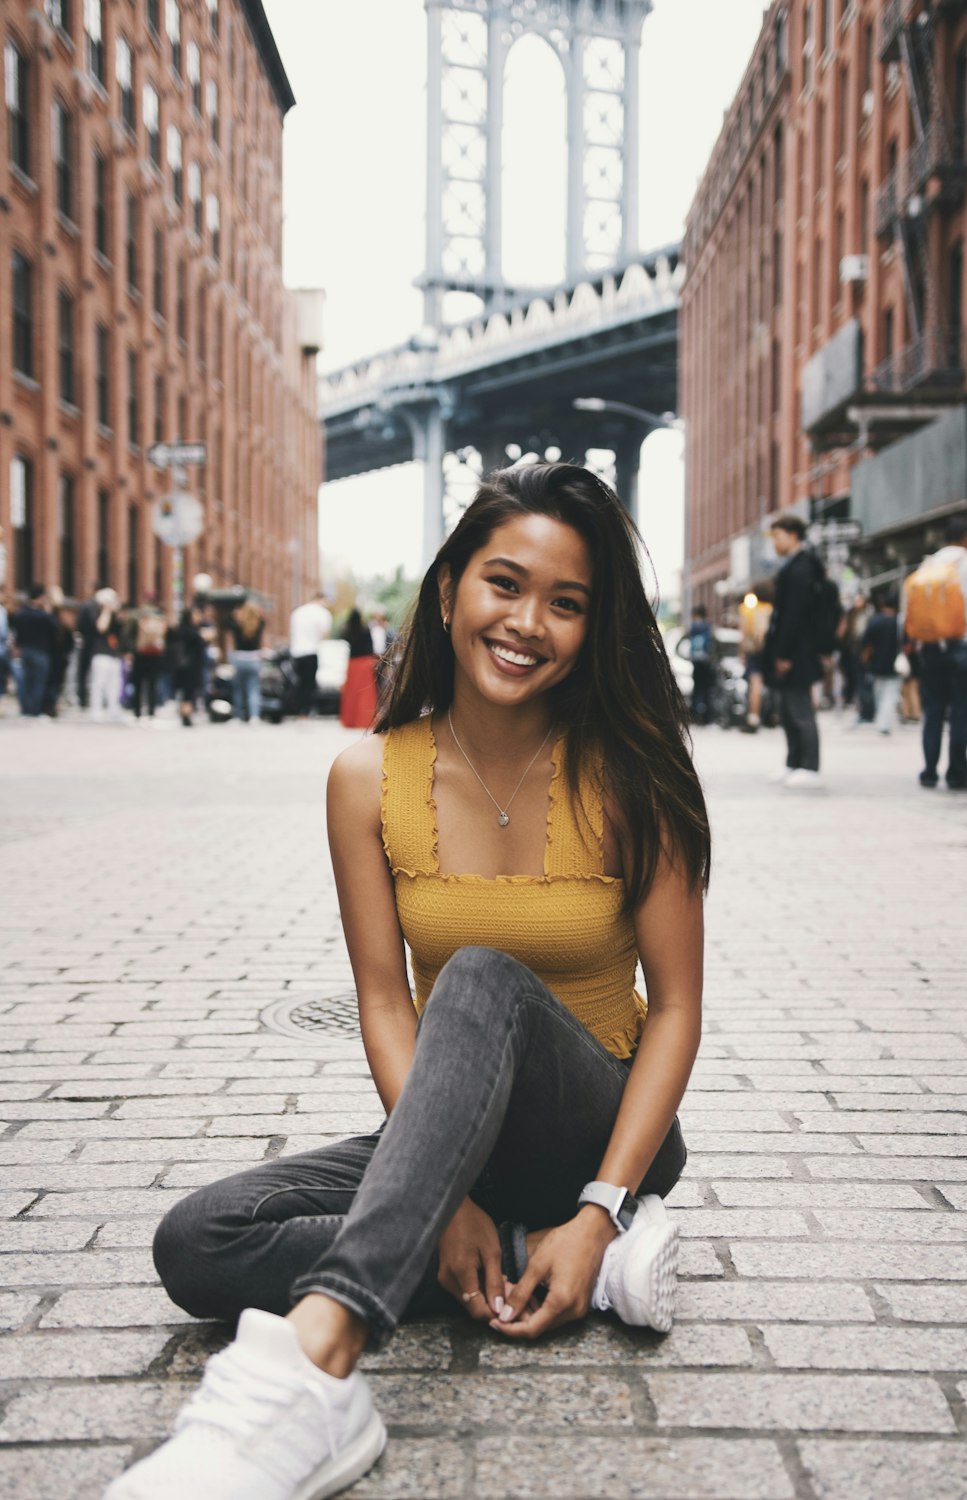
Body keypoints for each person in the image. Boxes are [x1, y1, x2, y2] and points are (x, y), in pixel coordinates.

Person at [109, 463, 709, 1500]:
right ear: (448, 593)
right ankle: (547, 1257)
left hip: (604, 1125)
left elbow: (680, 1011)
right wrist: (457, 1199)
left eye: (566, 604)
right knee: (197, 1242)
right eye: (503, 584)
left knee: (478, 976)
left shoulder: (629, 775)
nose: (527, 622)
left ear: (592, 628)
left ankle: (314, 1364)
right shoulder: (364, 779)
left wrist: (606, 1200)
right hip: (460, 1130)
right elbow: (384, 1003)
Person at [915, 517, 967, 790]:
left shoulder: (930, 562)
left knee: (934, 710)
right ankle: (956, 774)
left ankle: (928, 772)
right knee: (961, 710)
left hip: (930, 646)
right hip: (964, 644)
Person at [764, 514, 825, 788]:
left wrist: (784, 653)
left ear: (792, 535)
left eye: (778, 536)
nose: (775, 543)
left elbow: (794, 615)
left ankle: (809, 766)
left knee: (800, 710)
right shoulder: (795, 567)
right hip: (791, 650)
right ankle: (794, 762)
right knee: (788, 711)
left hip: (797, 651)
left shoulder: (802, 568)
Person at [860, 591, 902, 736]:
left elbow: (866, 643)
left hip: (877, 662)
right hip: (895, 663)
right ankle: (884, 723)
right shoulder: (899, 622)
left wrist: (865, 659)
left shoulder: (875, 621)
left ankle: (882, 721)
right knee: (890, 694)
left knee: (879, 693)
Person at [11, 584, 55, 718]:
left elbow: (16, 632)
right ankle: (34, 710)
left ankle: (25, 709)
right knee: (38, 682)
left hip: (25, 650)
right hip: (40, 651)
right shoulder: (42, 616)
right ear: (40, 598)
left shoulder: (21, 613)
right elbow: (54, 627)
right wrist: (48, 612)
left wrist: (17, 647)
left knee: (25, 681)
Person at [738, 580, 774, 732]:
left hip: (755, 650)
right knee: (772, 683)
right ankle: (773, 715)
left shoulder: (748, 609)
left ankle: (754, 717)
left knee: (755, 683)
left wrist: (742, 652)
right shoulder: (772, 608)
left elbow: (744, 632)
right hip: (771, 650)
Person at [289, 593, 332, 719]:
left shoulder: (297, 612)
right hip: (311, 651)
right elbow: (324, 634)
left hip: (296, 652)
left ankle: (297, 710)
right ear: (322, 600)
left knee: (300, 683)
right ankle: (305, 712)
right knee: (309, 684)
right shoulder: (323, 613)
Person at [128, 596, 169, 720]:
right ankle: (151, 711)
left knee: (138, 684)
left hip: (140, 654)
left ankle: (137, 712)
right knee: (152, 683)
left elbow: (128, 635)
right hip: (155, 655)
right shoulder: (160, 617)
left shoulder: (136, 616)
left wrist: (130, 650)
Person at [339, 607, 379, 729]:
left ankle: (350, 719)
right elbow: (371, 646)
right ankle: (364, 719)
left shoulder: (347, 630)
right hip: (365, 662)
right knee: (366, 692)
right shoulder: (365, 629)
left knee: (351, 691)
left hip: (352, 663)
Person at [88, 589, 125, 721]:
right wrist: (107, 609)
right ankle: (96, 710)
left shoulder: (117, 616)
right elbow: (101, 627)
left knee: (115, 684)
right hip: (101, 653)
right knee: (99, 683)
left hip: (114, 654)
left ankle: (113, 709)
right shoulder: (97, 612)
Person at [168, 608, 207, 728]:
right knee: (189, 693)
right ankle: (186, 716)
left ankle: (184, 715)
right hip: (191, 666)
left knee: (185, 692)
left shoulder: (178, 630)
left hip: (180, 666)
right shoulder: (192, 632)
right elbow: (199, 648)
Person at [229, 598, 266, 723]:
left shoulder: (237, 625)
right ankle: (254, 716)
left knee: (238, 689)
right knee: (253, 689)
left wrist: (237, 613)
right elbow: (263, 617)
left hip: (239, 658)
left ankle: (237, 716)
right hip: (254, 658)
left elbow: (228, 623)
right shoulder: (259, 624)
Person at [688, 604, 714, 725]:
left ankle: (694, 716)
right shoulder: (708, 627)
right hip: (706, 663)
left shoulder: (693, 627)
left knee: (696, 689)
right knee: (707, 690)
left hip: (697, 663)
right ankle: (706, 718)